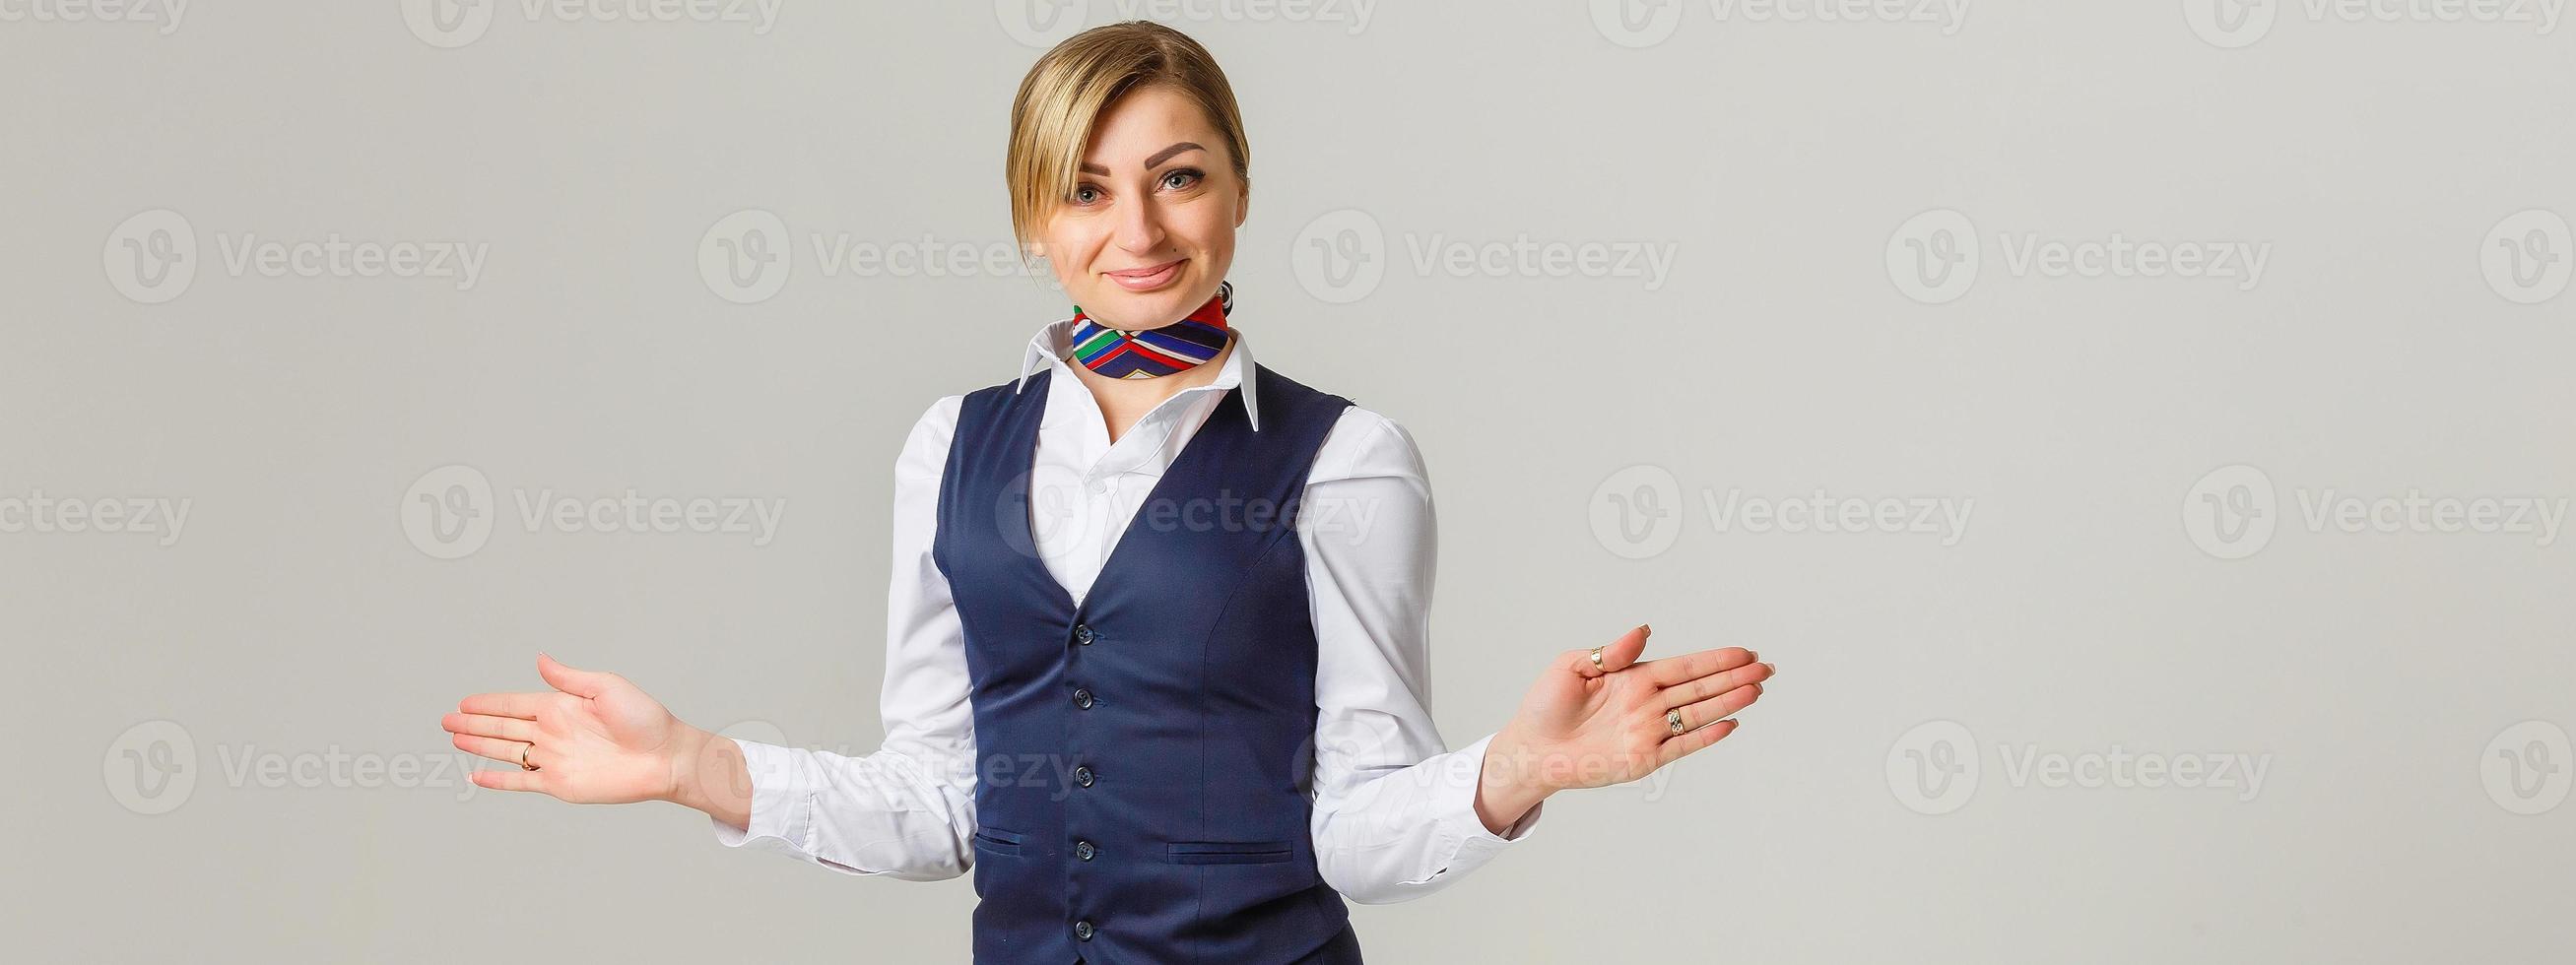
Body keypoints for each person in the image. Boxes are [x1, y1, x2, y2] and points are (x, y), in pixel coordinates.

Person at [439, 21, 1776, 964]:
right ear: (1034, 219)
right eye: (1085, 190)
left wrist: (1516, 768)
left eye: (1177, 177)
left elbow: (1357, 832)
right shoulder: (948, 450)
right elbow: (940, 808)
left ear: (1240, 191)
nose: (1135, 231)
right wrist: (692, 767)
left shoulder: (1347, 457)